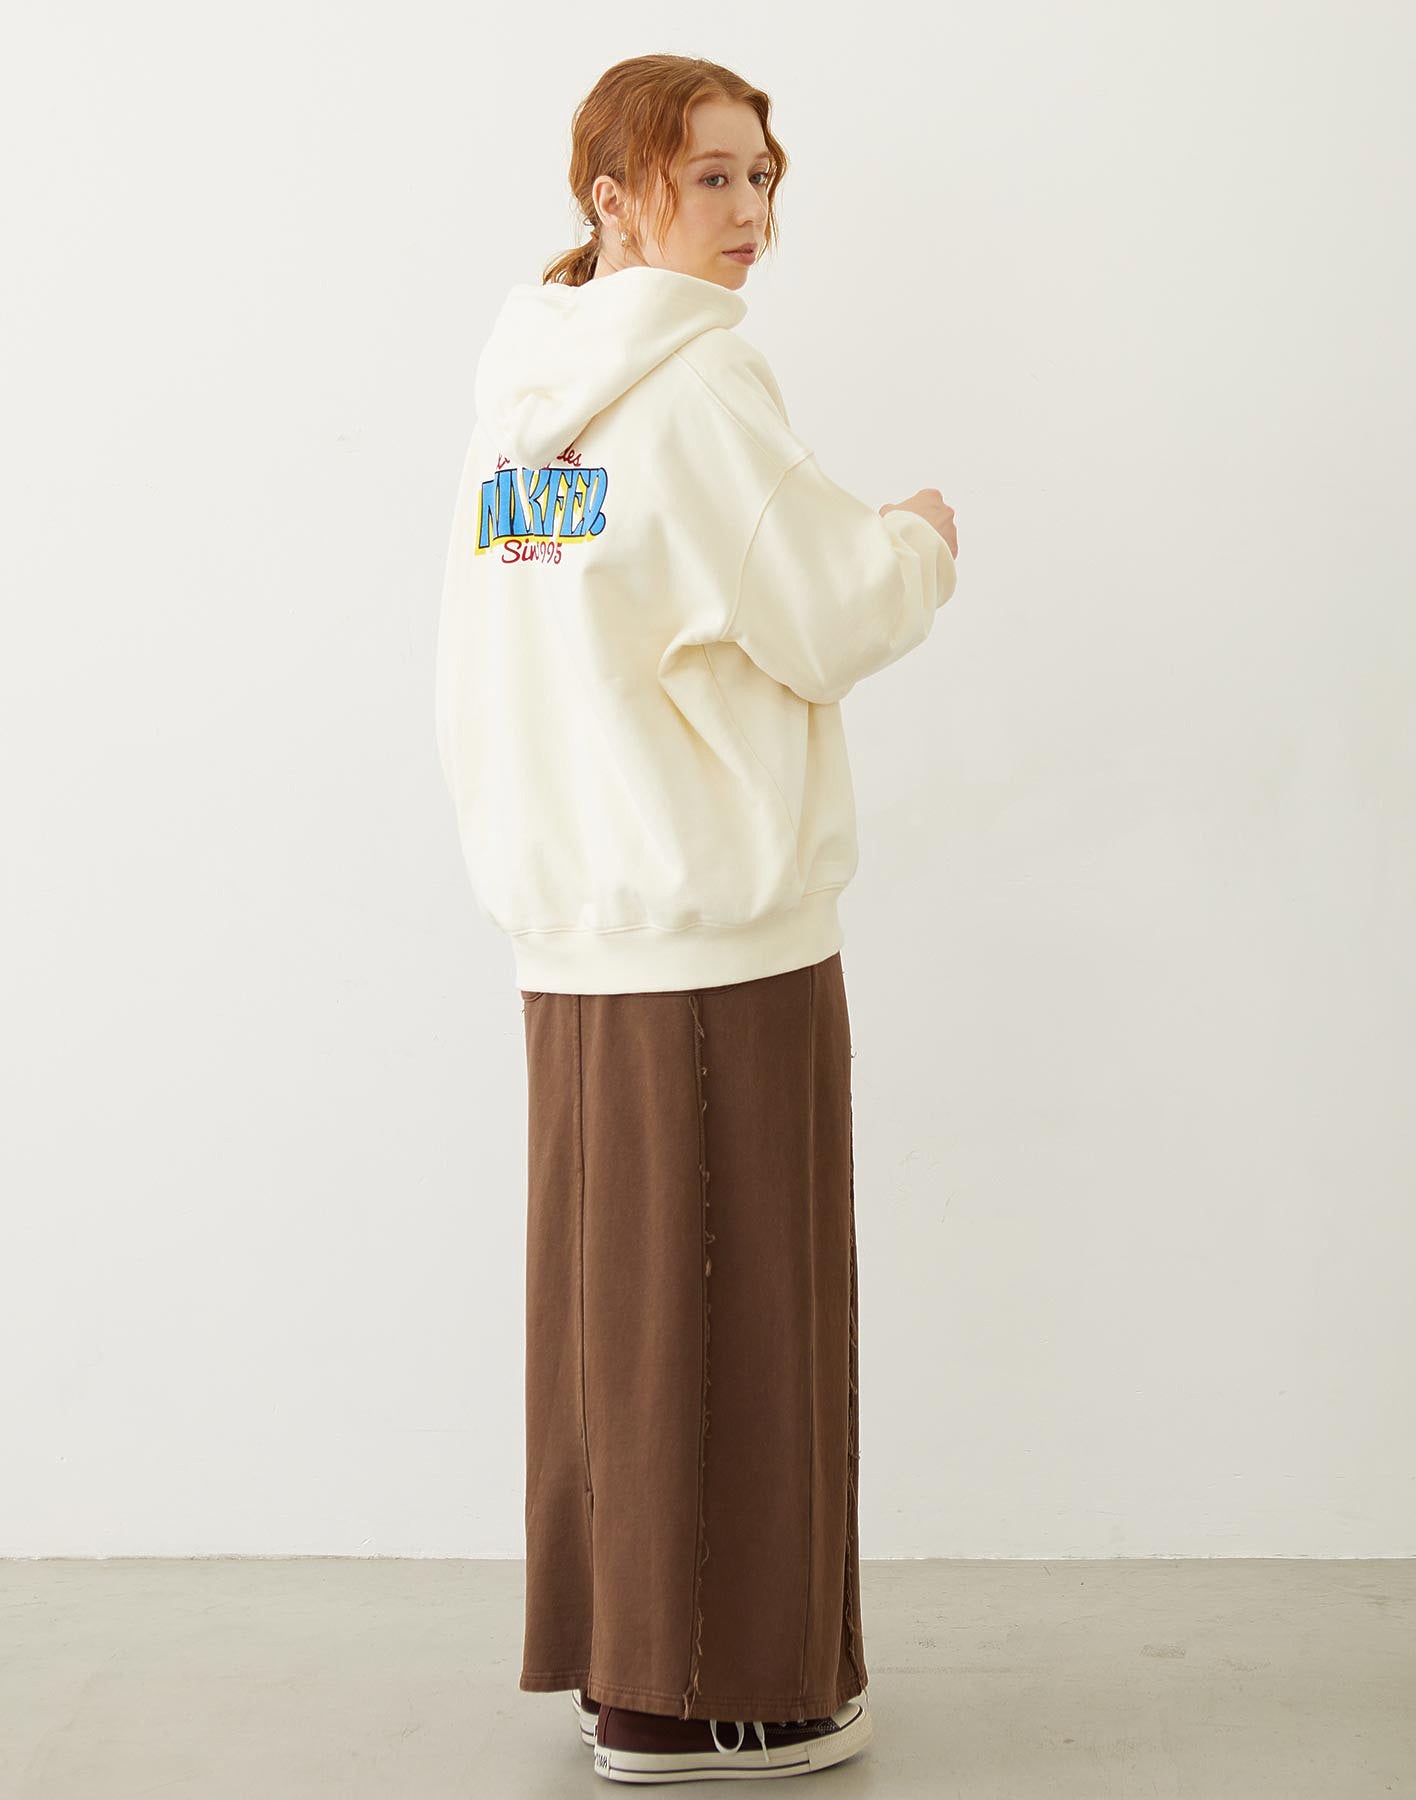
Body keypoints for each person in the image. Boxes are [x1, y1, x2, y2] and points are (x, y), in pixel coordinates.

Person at [435, 53, 958, 1785]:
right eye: (713, 177)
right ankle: (719, 1697)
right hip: (716, 934)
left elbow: (517, 645)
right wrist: (916, 541)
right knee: (738, 1305)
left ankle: (628, 1671)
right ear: (613, 194)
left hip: (573, 933)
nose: (752, 215)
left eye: (762, 178)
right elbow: (825, 609)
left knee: (620, 1317)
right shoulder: (697, 382)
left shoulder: (522, 406)